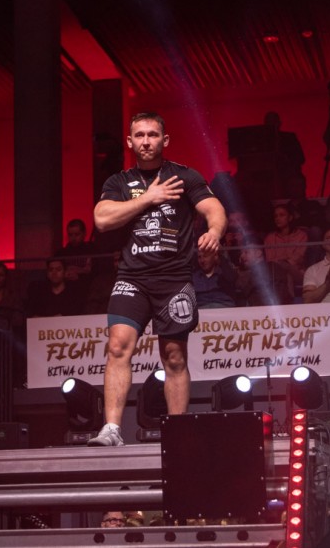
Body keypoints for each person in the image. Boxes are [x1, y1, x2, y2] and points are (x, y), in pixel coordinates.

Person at [87, 112, 226, 447]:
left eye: (152, 135)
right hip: (132, 277)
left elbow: (214, 209)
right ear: (129, 141)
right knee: (117, 346)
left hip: (174, 278)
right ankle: (112, 430)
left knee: (174, 356)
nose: (146, 141)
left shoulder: (184, 176)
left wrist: (214, 232)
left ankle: (177, 433)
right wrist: (148, 198)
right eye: (139, 135)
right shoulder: (119, 182)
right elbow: (102, 219)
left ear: (165, 140)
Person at [236, 242, 294, 307]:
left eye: (246, 252)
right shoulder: (277, 267)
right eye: (242, 253)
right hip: (283, 308)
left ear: (258, 253)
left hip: (261, 310)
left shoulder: (275, 268)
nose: (242, 256)